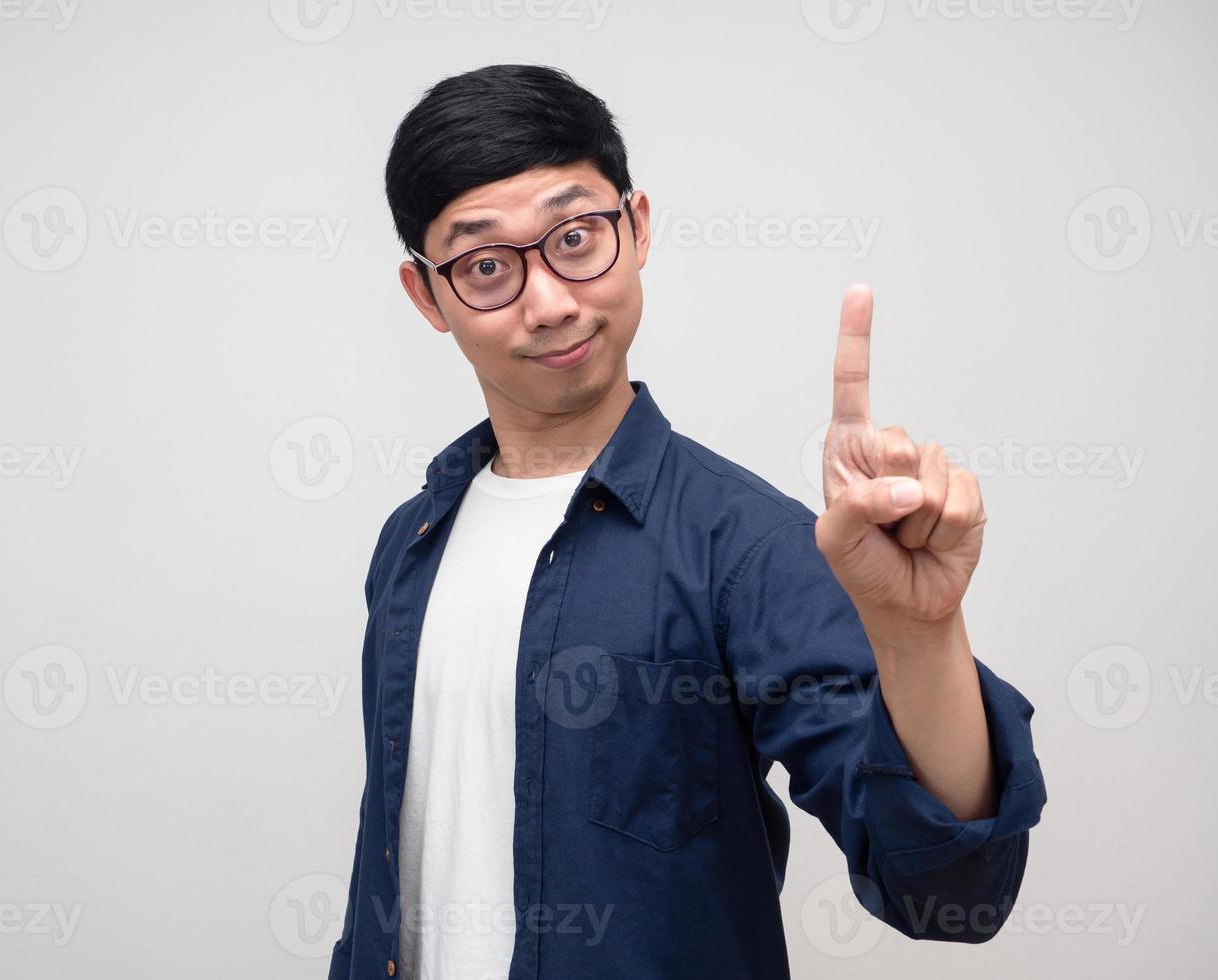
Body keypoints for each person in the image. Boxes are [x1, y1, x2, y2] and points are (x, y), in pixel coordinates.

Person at [328, 64, 1047, 980]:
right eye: (485, 267)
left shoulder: (743, 546)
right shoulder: (410, 544)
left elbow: (954, 890)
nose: (548, 301)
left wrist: (919, 633)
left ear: (637, 228)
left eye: (576, 237)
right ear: (426, 296)